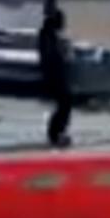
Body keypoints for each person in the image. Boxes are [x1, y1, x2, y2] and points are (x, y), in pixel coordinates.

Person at [38, 9, 73, 148]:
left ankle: (57, 132)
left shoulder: (49, 34)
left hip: (56, 73)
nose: (64, 25)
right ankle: (56, 133)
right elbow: (51, 56)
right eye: (62, 21)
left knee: (64, 104)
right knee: (65, 103)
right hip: (54, 75)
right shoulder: (48, 35)